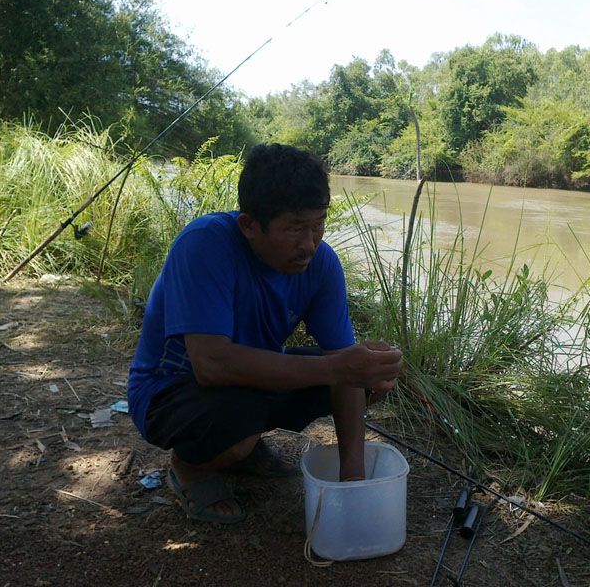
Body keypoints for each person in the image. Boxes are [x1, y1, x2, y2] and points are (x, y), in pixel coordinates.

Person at [127, 143, 402, 523]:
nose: (309, 243)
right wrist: (338, 369)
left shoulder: (321, 265)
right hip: (168, 391)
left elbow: (344, 371)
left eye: (317, 225)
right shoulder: (204, 244)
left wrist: (352, 480)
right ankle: (191, 466)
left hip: (244, 381)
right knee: (247, 409)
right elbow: (211, 365)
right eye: (294, 228)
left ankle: (242, 446)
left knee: (360, 375)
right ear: (250, 226)